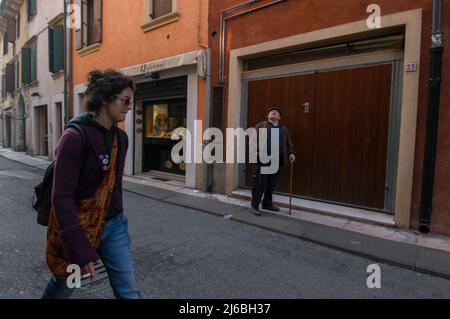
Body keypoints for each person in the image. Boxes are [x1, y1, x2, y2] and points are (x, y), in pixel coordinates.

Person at [42, 69, 141, 299]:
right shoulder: (74, 138)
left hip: (113, 226)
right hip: (78, 226)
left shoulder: (121, 138)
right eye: (125, 100)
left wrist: (116, 215)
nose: (128, 106)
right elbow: (61, 197)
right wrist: (77, 244)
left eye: (130, 101)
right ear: (106, 99)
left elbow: (114, 186)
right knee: (64, 286)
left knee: (128, 290)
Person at [251, 106, 296, 216]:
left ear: (279, 117)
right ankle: (255, 205)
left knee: (271, 184)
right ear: (268, 116)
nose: (274, 113)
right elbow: (253, 140)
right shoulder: (261, 125)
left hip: (276, 160)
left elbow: (288, 143)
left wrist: (291, 153)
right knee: (259, 184)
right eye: (271, 112)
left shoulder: (283, 129)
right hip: (262, 159)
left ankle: (267, 203)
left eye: (276, 112)